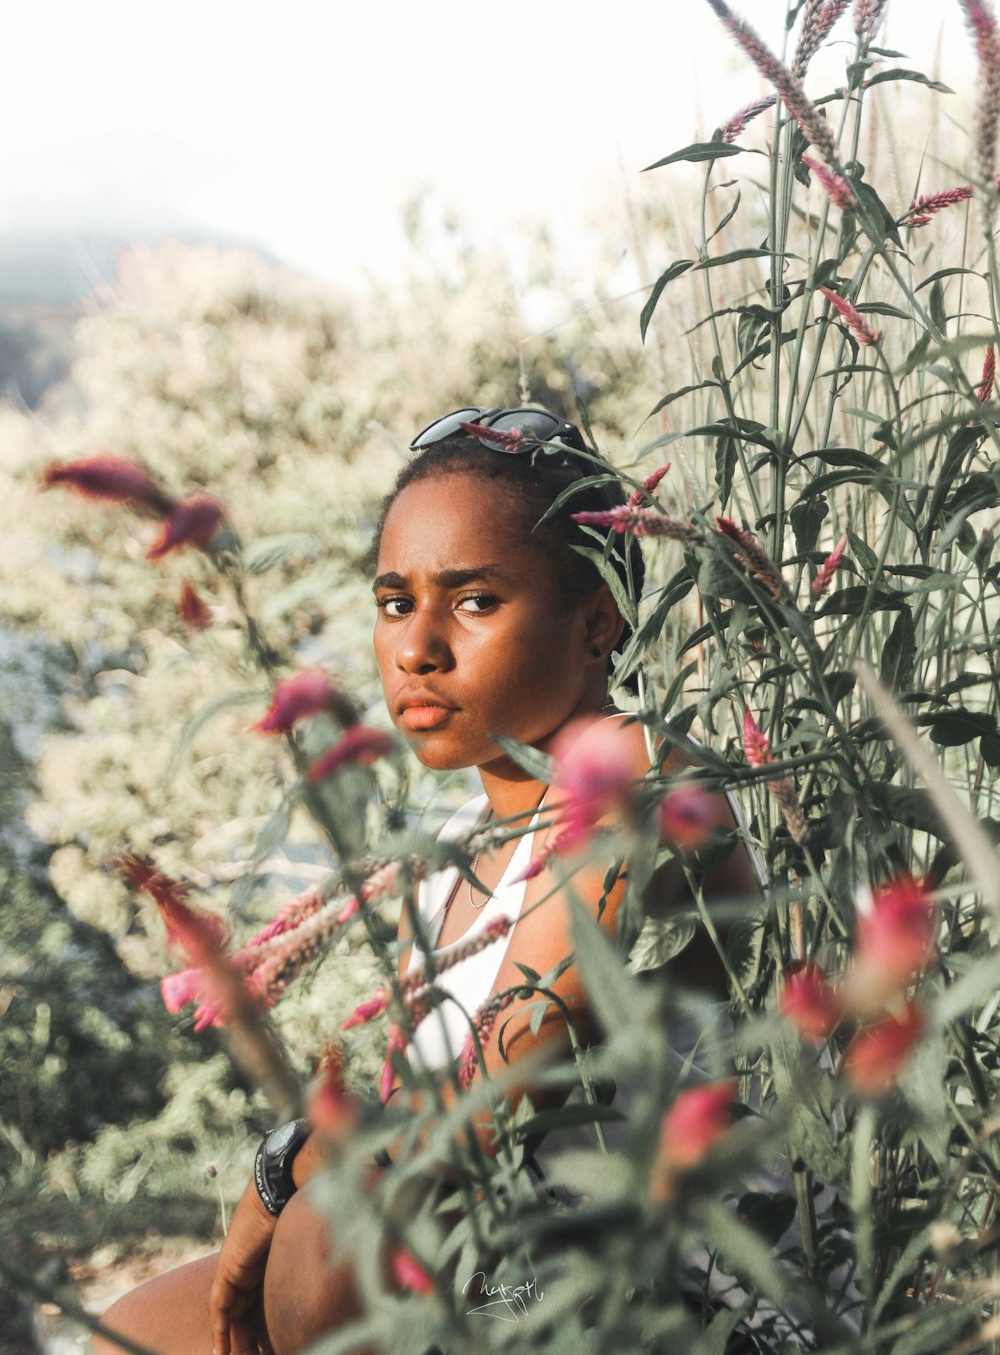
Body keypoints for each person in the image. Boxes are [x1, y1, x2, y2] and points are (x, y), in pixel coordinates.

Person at [94, 405, 761, 1355]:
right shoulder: (460, 844)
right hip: (497, 1264)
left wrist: (289, 1165)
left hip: (660, 1278)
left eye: (476, 600)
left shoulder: (634, 767)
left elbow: (483, 1108)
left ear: (596, 620)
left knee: (330, 1245)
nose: (418, 648)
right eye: (396, 602)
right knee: (136, 1331)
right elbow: (415, 1125)